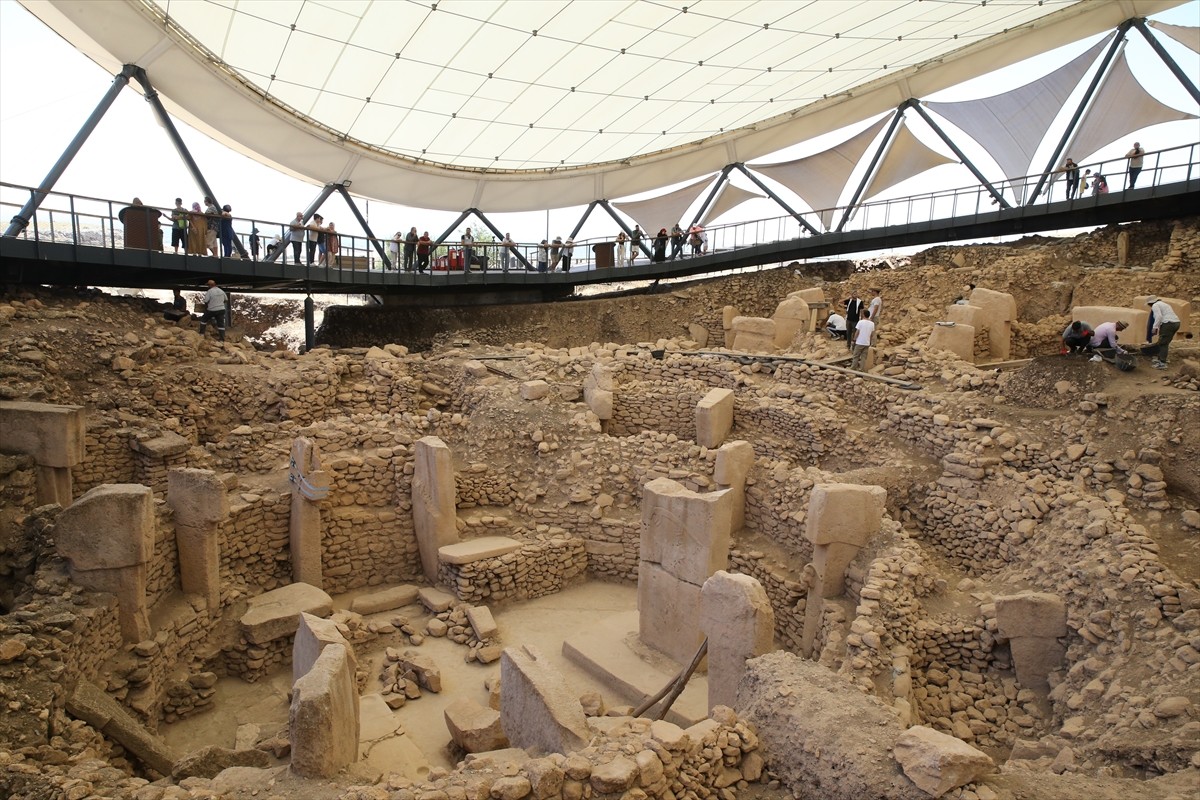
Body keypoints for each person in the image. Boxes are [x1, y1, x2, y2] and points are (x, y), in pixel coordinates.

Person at [1144, 295, 1181, 370]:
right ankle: (1162, 358)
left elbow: (1159, 316)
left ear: (1150, 303)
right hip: (1176, 323)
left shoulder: (1155, 305)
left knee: (1163, 343)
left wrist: (1154, 327)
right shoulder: (1164, 304)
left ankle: (1162, 363)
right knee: (1165, 342)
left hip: (1168, 323)